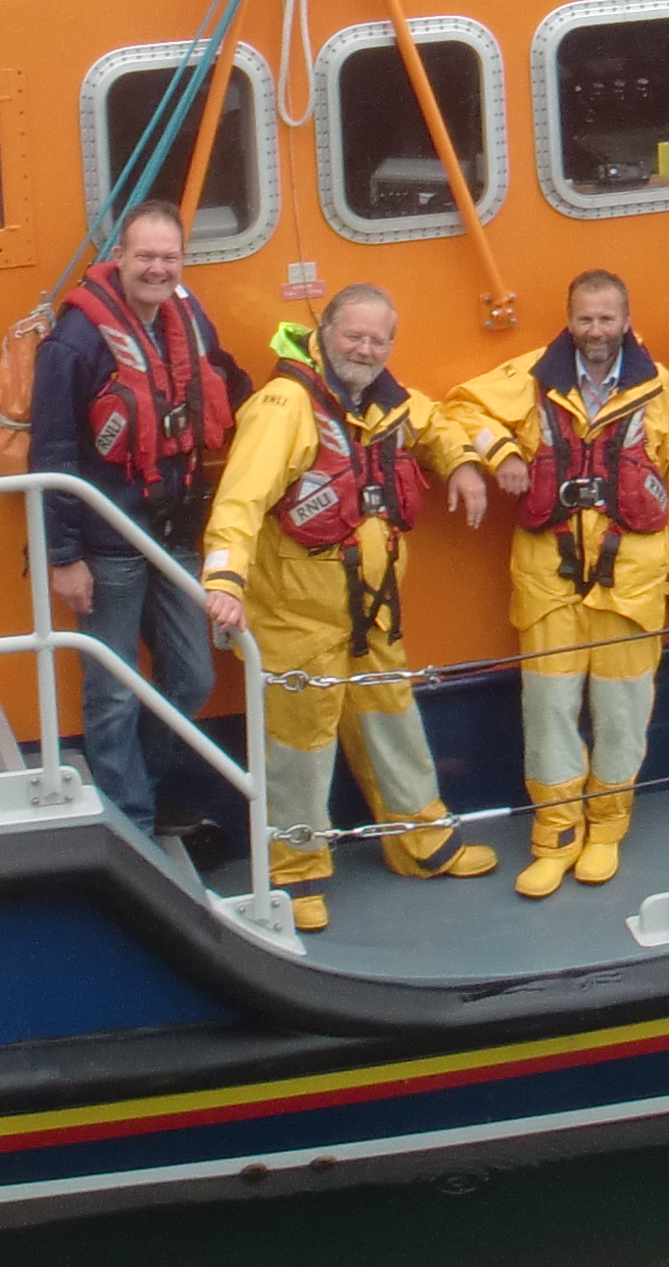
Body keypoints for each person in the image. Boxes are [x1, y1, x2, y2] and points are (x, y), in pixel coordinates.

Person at [199, 284, 501, 930]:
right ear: (325, 330)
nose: (364, 349)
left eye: (377, 340)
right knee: (298, 748)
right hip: (295, 618)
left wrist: (465, 464)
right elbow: (239, 502)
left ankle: (421, 844)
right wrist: (223, 580)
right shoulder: (283, 407)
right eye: (352, 335)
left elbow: (438, 424)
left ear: (390, 345)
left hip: (370, 612)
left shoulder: (387, 402)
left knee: (393, 719)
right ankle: (296, 872)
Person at [447, 270, 669, 898]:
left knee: (622, 716)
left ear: (626, 319)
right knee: (549, 715)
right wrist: (498, 453)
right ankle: (555, 836)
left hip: (632, 583)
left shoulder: (657, 384)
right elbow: (456, 409)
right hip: (549, 581)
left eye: (607, 319)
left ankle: (607, 827)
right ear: (569, 319)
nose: (596, 332)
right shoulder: (531, 375)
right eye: (584, 319)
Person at [26, 201, 249, 842]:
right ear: (118, 259)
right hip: (107, 547)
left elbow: (226, 381)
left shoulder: (189, 318)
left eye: (169, 258)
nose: (157, 268)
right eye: (144, 256)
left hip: (175, 535)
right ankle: (132, 823)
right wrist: (63, 557)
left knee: (192, 677)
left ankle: (137, 786)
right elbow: (53, 456)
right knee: (114, 691)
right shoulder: (73, 343)